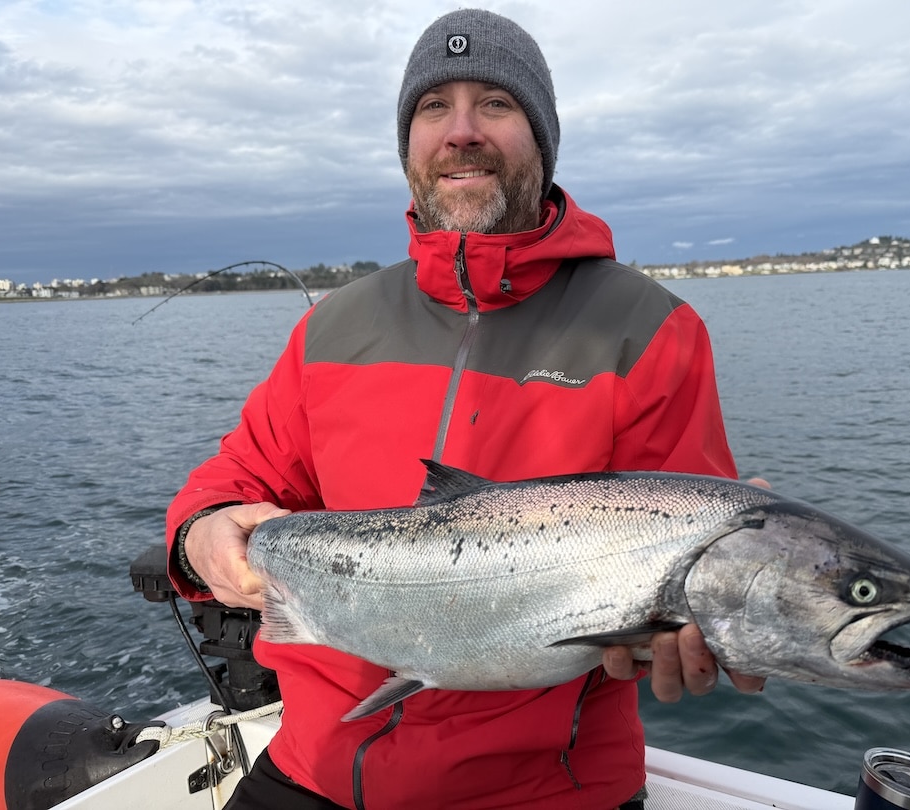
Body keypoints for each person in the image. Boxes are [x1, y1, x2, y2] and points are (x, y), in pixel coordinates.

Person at [166, 8, 763, 809]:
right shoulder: (332, 326)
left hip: (543, 791)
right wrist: (201, 529)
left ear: (542, 138)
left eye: (497, 103)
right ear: (409, 143)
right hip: (313, 764)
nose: (462, 131)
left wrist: (696, 628)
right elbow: (239, 473)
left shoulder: (650, 332)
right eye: (433, 107)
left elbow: (691, 548)